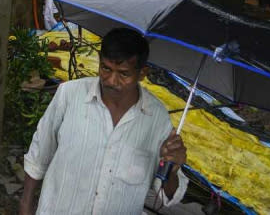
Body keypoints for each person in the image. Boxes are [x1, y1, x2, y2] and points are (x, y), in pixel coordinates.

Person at [19, 28, 188, 215]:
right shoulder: (69, 94)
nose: (111, 81)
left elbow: (165, 196)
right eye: (106, 69)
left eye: (124, 74)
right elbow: (39, 153)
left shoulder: (157, 119)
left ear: (142, 73)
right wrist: (25, 206)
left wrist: (172, 170)